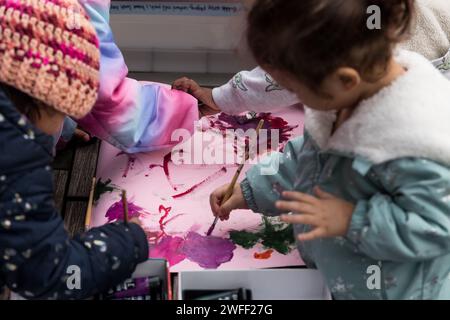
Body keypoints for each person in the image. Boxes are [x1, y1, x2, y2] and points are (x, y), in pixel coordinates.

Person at [210, 0, 450, 299]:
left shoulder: (417, 142)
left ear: (344, 80)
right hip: (339, 275)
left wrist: (352, 220)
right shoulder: (349, 96)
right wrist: (250, 190)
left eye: (297, 90)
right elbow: (312, 159)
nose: (297, 98)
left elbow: (435, 227)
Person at [0, 0, 148, 299]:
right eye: (62, 113)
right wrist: (129, 240)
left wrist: (64, 132)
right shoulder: (15, 158)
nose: (60, 125)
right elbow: (54, 276)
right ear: (41, 101)